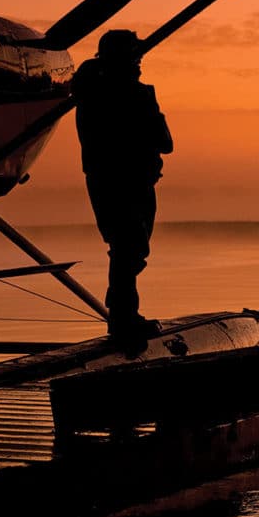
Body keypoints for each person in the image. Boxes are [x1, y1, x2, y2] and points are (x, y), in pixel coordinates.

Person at [72, 29, 173, 351]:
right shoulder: (134, 96)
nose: (140, 65)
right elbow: (165, 142)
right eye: (134, 59)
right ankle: (123, 317)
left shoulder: (90, 94)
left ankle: (123, 313)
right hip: (128, 183)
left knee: (126, 247)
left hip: (110, 181)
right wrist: (150, 105)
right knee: (130, 247)